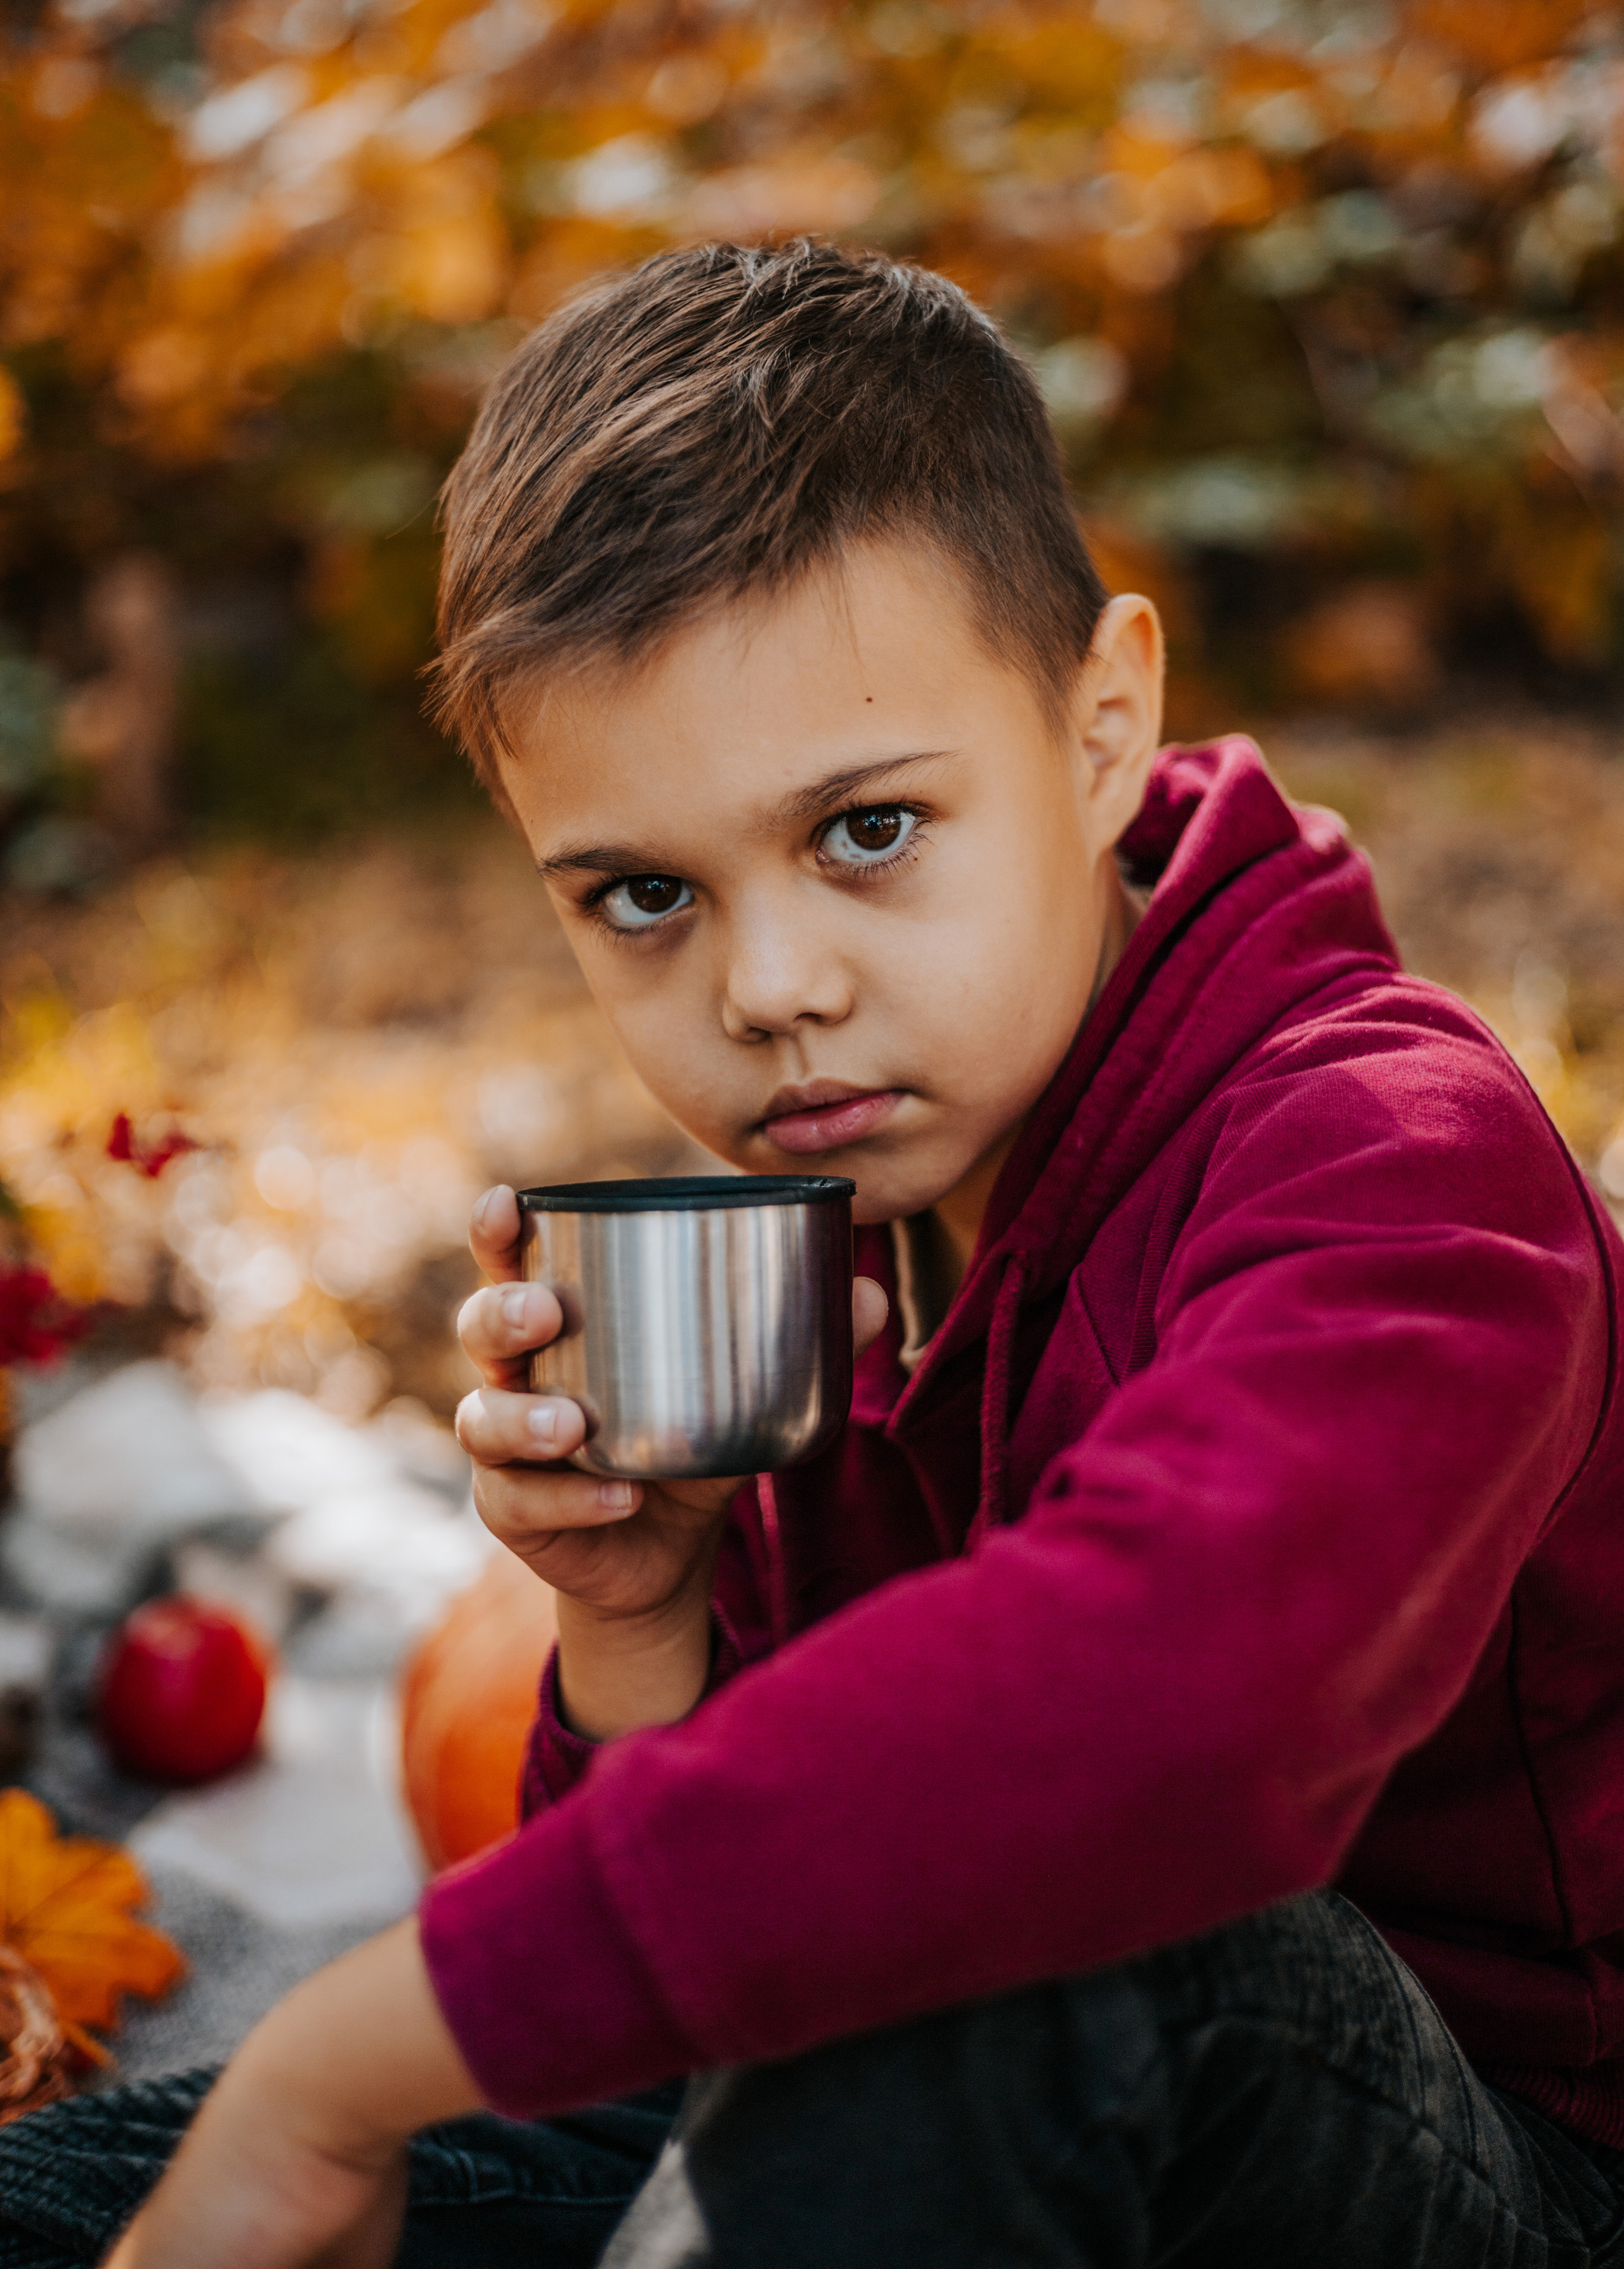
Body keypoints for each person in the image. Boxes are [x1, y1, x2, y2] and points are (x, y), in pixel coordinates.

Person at [10, 240, 1624, 2268]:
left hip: (1487, 2173)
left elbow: (1165, 1731)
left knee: (1035, 1887)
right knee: (79, 2206)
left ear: (1101, 726)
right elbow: (698, 2001)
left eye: (866, 830)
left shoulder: (1396, 1153)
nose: (769, 989)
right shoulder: (845, 1253)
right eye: (642, 894)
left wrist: (349, 2059)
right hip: (961, 2162)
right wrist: (636, 1621)